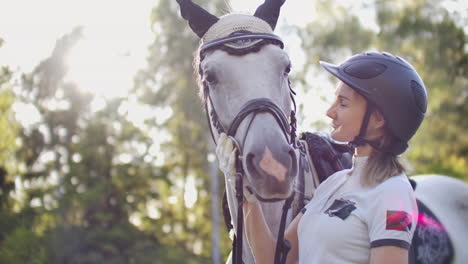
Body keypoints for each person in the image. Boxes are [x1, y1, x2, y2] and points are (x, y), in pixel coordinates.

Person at [216, 51, 428, 264]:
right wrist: (245, 192)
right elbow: (274, 259)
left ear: (377, 119)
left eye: (343, 103)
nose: (330, 111)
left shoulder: (394, 193)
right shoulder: (333, 184)